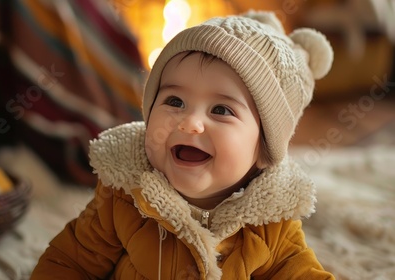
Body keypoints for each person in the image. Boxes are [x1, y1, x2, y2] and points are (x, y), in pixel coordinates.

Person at [31, 10, 335, 279]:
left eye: (221, 110)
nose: (190, 122)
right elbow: (72, 260)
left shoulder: (271, 221)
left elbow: (301, 273)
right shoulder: (124, 195)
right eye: (175, 101)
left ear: (264, 148)